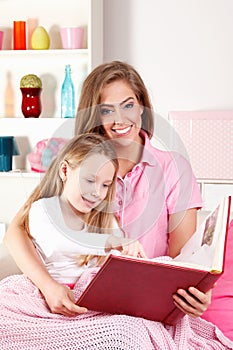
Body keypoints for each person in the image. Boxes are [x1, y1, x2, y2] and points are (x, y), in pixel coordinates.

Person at [2, 61, 233, 349]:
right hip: (72, 301)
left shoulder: (173, 168)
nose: (120, 119)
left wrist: (195, 293)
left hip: (135, 306)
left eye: (128, 105)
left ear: (142, 107)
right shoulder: (79, 161)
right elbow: (18, 230)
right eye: (106, 110)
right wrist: (49, 288)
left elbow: (182, 261)